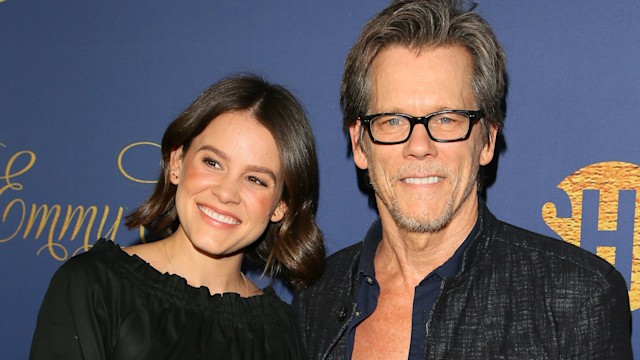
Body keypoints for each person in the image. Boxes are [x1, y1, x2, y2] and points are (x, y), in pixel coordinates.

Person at [293, 0, 632, 359]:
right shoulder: (317, 296)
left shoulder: (574, 297)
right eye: (392, 120)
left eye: (446, 119)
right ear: (359, 144)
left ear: (487, 139)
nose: (419, 146)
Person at [30, 74, 325, 359]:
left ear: (280, 207)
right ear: (177, 163)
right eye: (212, 162)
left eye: (255, 179)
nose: (226, 193)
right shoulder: (94, 288)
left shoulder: (286, 335)